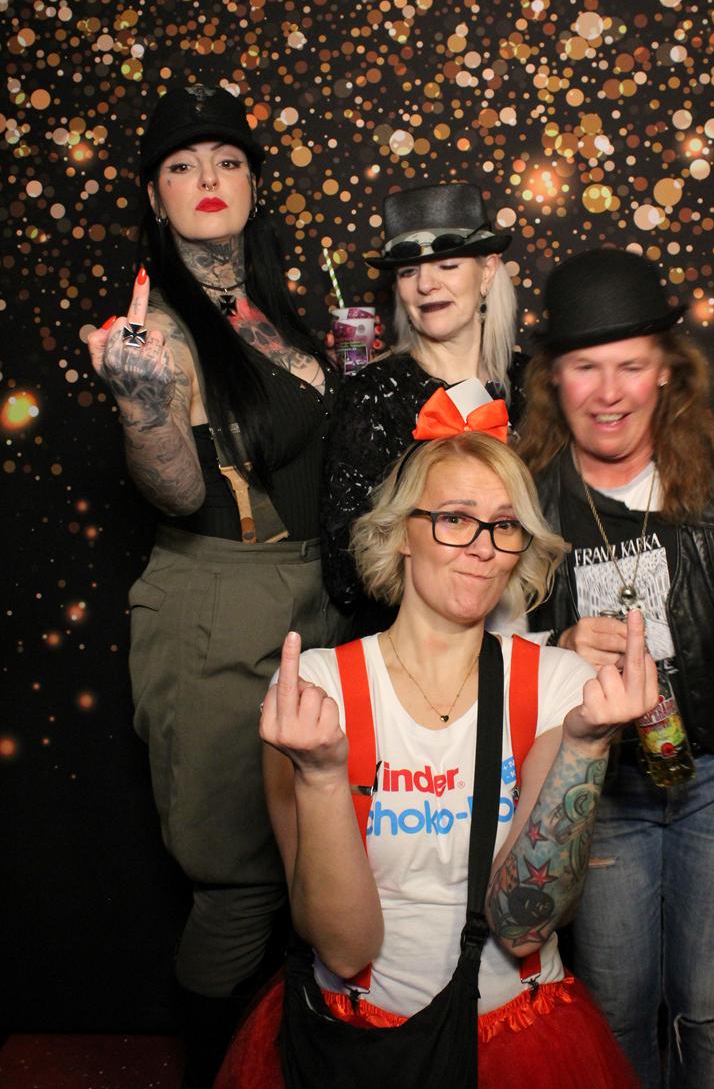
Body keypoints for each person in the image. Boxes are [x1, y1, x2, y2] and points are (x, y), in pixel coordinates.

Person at [216, 424, 651, 1089]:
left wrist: (587, 745)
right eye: (455, 519)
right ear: (401, 532)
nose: (483, 546)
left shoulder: (558, 686)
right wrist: (323, 775)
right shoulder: (320, 690)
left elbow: (523, 926)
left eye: (504, 525)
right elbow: (344, 950)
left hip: (518, 1034)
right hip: (355, 1042)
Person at [86, 84, 346, 1088]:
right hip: (219, 605)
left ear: (254, 185)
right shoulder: (158, 328)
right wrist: (143, 408)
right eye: (182, 165)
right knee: (238, 887)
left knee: (319, 870)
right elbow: (178, 490)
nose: (208, 178)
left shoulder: (267, 309)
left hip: (314, 599)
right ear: (154, 195)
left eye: (228, 160)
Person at [515, 246, 714, 1089]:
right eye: (586, 367)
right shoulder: (528, 495)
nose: (609, 393)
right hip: (600, 788)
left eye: (631, 366)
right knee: (616, 1003)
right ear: (554, 379)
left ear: (666, 372)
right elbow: (490, 654)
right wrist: (557, 647)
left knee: (709, 1003)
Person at [321, 180, 529, 635]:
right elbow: (345, 573)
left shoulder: (530, 385)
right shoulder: (374, 395)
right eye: (408, 271)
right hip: (410, 644)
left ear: (488, 271)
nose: (426, 284)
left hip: (528, 638)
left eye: (448, 265)